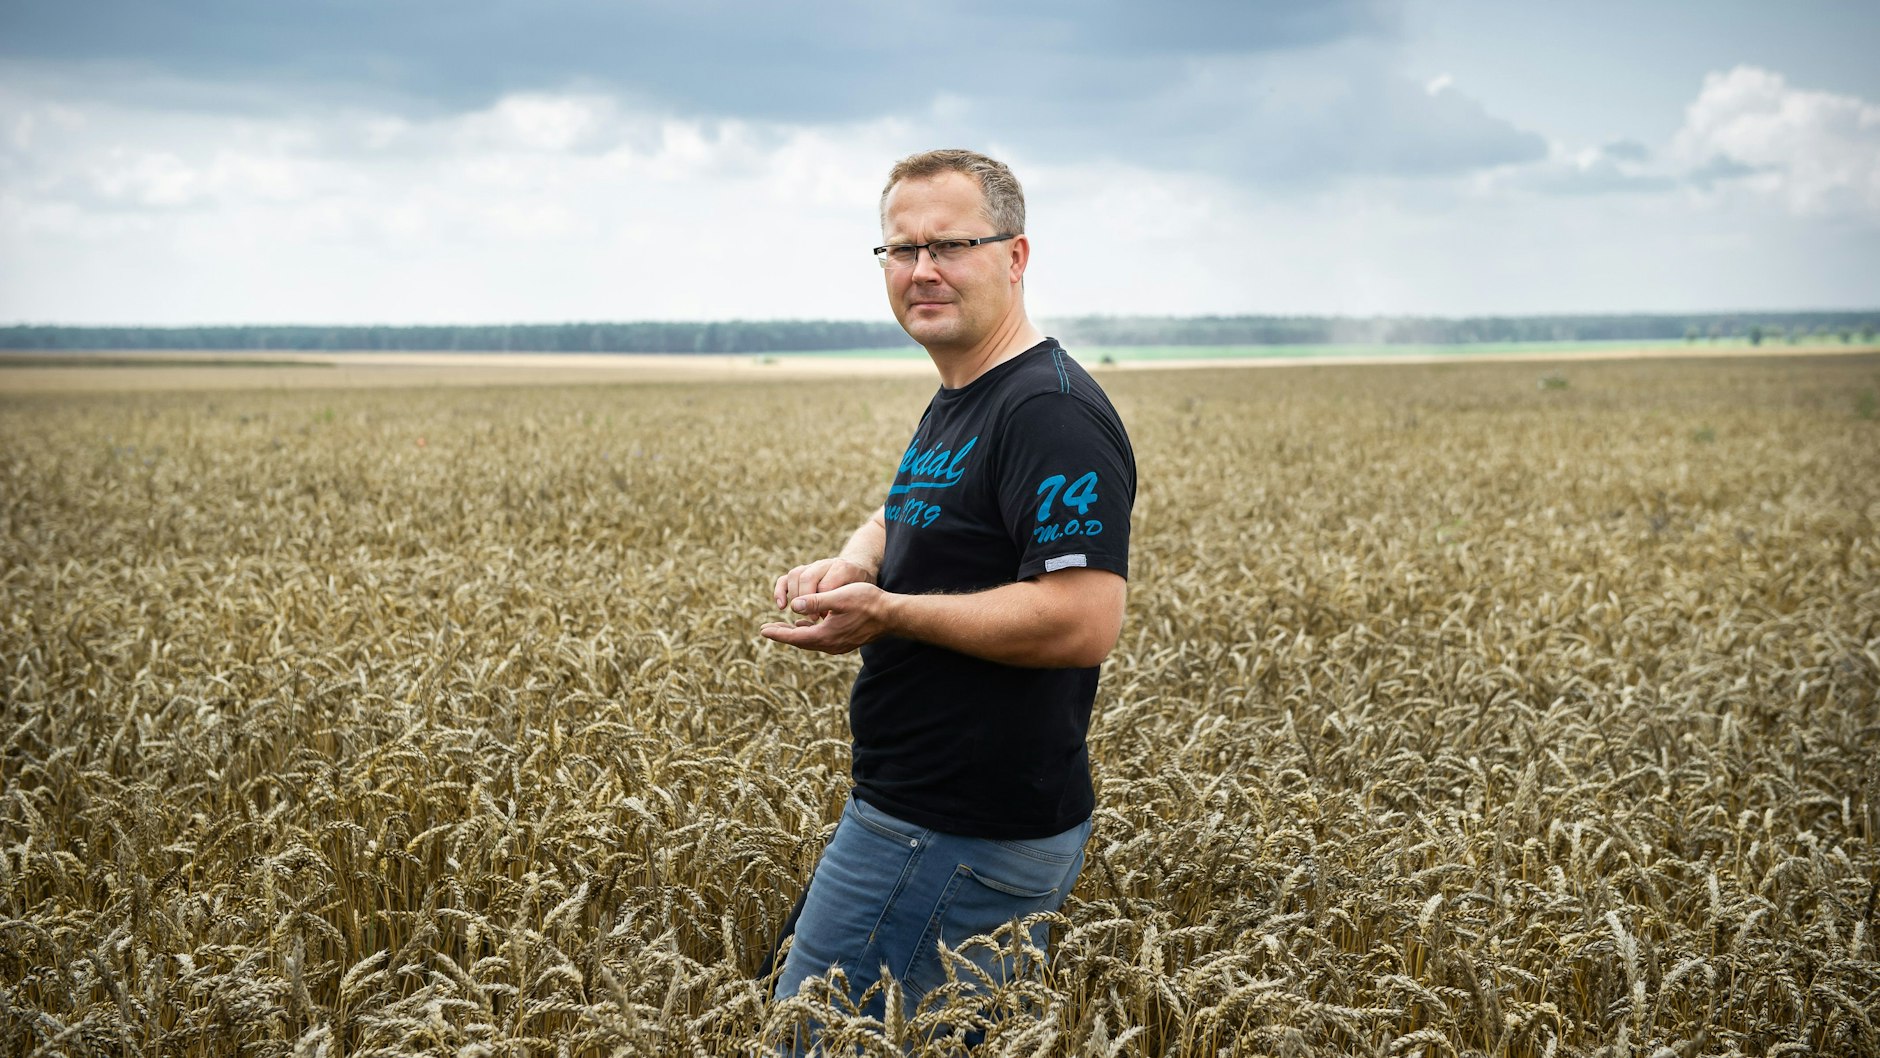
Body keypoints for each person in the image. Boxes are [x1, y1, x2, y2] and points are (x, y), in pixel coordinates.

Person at [760, 148, 1136, 1033]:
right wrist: (857, 562)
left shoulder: (1049, 414)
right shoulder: (966, 390)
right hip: (919, 815)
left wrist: (888, 614)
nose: (922, 270)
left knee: (815, 1044)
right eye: (901, 249)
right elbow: (909, 513)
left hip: (955, 830)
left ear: (1015, 256)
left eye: (951, 245)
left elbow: (1081, 618)